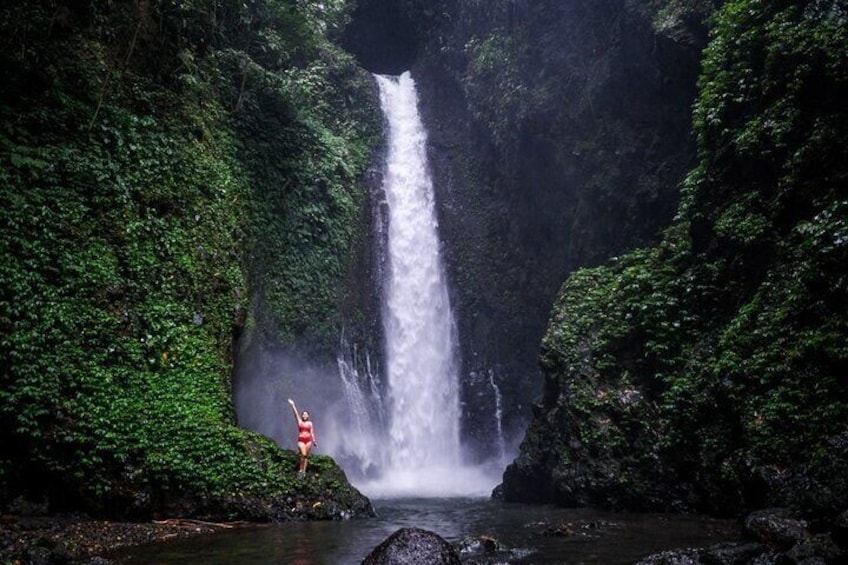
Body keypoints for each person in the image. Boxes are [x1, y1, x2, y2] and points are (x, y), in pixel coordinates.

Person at [288, 398, 316, 476]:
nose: (304, 415)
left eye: (306, 414)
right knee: (303, 455)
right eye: (303, 414)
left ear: (308, 416)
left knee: (306, 456)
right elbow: (296, 414)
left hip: (308, 441)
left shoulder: (310, 423)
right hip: (301, 441)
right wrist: (293, 404)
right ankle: (301, 469)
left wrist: (314, 441)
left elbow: (312, 432)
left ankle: (303, 471)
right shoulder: (299, 422)